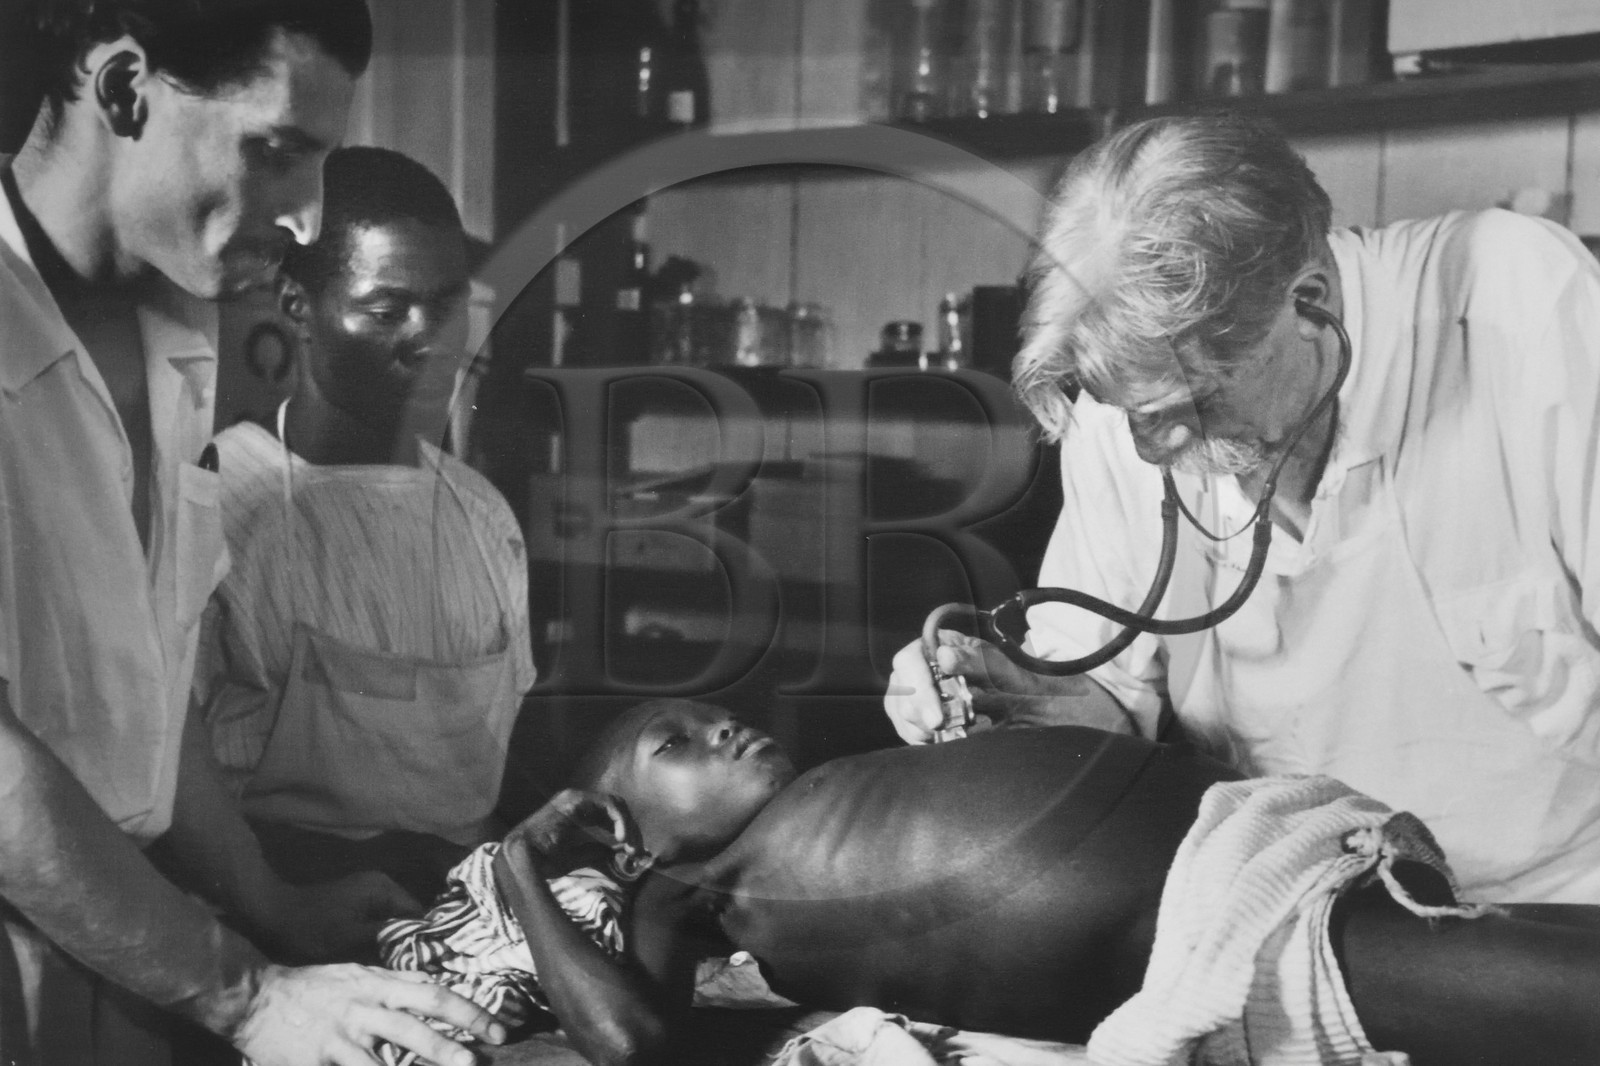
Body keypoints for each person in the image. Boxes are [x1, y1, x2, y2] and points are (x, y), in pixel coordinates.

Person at [884, 112, 1600, 905]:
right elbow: (1110, 709)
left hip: (1557, 916)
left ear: (1309, 303)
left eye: (1190, 404)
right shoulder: (1129, 399)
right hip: (1287, 909)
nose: (1150, 449)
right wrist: (1012, 700)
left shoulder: (1515, 305)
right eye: (1130, 414)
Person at [0, 3, 504, 1063]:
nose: (308, 219)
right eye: (276, 151)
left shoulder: (177, 325)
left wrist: (273, 902)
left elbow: (146, 690)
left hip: (128, 946)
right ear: (125, 90)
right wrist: (250, 997)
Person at [380, 699, 1600, 1066]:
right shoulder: (684, 893)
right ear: (621, 829)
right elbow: (629, 1042)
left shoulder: (826, 790)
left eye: (714, 715)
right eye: (679, 746)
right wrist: (520, 867)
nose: (726, 729)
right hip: (1237, 941)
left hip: (1273, 852)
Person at [192, 144, 537, 907]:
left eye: (447, 307)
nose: (431, 340)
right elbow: (171, 795)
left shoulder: (483, 517)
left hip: (463, 914)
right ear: (297, 307)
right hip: (283, 921)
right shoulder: (220, 502)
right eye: (387, 311)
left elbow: (488, 780)